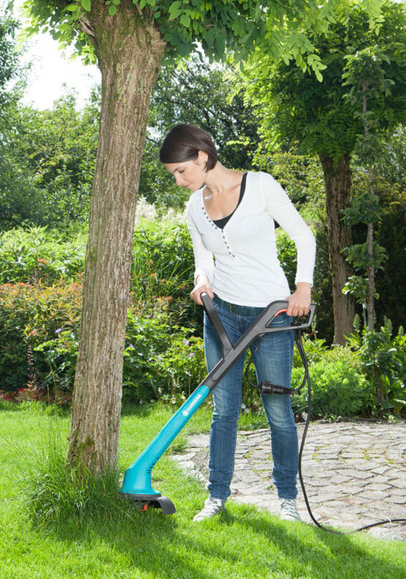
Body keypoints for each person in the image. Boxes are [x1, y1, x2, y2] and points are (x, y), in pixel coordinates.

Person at [159, 124, 316, 522]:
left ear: (201, 156)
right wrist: (201, 280)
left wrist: (303, 289)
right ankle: (217, 497)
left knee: (277, 409)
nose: (179, 180)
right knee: (223, 410)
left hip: (272, 315)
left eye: (180, 171)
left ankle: (287, 499)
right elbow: (203, 259)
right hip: (223, 314)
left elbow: (304, 237)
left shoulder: (260, 186)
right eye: (173, 175)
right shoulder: (195, 207)